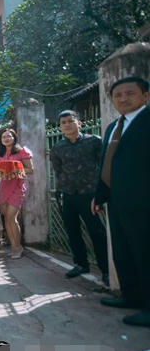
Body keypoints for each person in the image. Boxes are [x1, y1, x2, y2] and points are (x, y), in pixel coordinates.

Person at [93, 76, 150, 327]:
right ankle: (131, 296)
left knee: (144, 253)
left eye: (130, 93)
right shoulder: (113, 127)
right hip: (116, 200)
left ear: (146, 96)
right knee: (123, 250)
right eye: (117, 95)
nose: (123, 98)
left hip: (143, 201)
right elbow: (107, 163)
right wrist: (100, 195)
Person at [51, 110, 109, 285]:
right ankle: (81, 264)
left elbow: (104, 166)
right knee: (72, 231)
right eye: (63, 123)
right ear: (60, 127)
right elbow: (58, 170)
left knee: (97, 232)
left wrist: (100, 193)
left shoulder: (94, 141)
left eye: (70, 121)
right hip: (68, 194)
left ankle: (106, 270)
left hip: (90, 194)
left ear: (79, 123)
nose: (67, 125)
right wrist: (61, 192)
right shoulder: (58, 148)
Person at [0, 129, 33, 259]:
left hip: (17, 187)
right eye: (3, 137)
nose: (6, 138)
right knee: (7, 218)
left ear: (14, 138)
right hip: (3, 187)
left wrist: (15, 171)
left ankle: (18, 246)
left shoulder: (22, 151)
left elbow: (30, 169)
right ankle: (13, 246)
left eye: (9, 136)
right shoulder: (0, 154)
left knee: (12, 217)